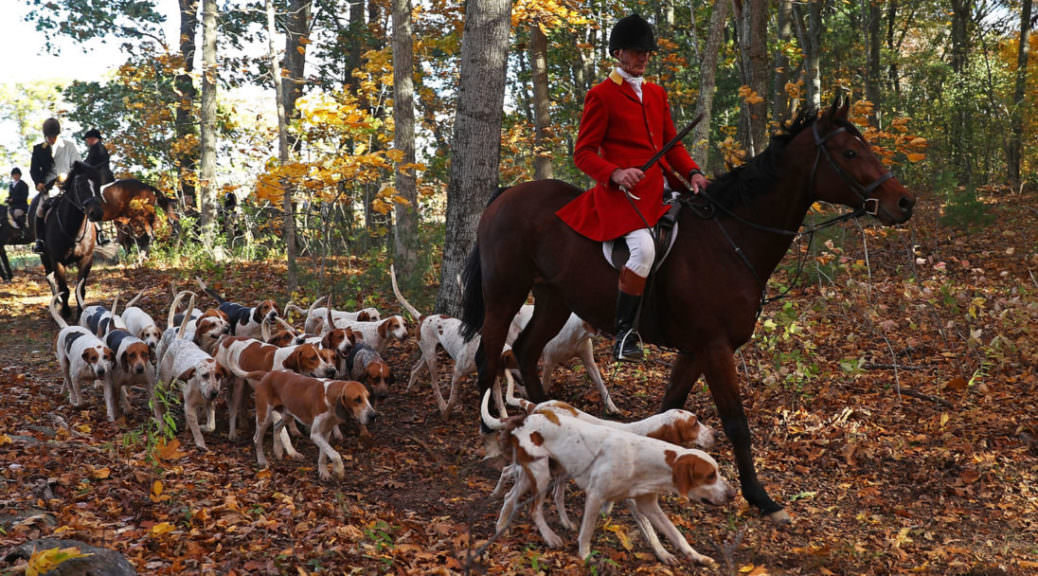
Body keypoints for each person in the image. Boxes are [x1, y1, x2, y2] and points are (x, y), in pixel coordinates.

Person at [556, 14, 708, 362]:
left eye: (647, 52)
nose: (643, 57)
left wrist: (694, 173)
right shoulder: (601, 95)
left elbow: (672, 146)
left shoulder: (656, 93)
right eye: (637, 51)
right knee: (643, 249)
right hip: (624, 197)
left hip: (662, 188)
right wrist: (615, 173)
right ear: (618, 53)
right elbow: (583, 154)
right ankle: (624, 333)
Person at [30, 117, 83, 253]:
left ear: (58, 134)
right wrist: (38, 182)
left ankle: (100, 234)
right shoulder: (38, 149)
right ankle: (39, 241)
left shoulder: (69, 146)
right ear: (45, 136)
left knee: (87, 202)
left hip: (69, 184)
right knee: (40, 209)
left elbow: (78, 165)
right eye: (49, 137)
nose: (51, 139)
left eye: (53, 136)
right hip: (49, 187)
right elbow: (34, 170)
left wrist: (70, 176)